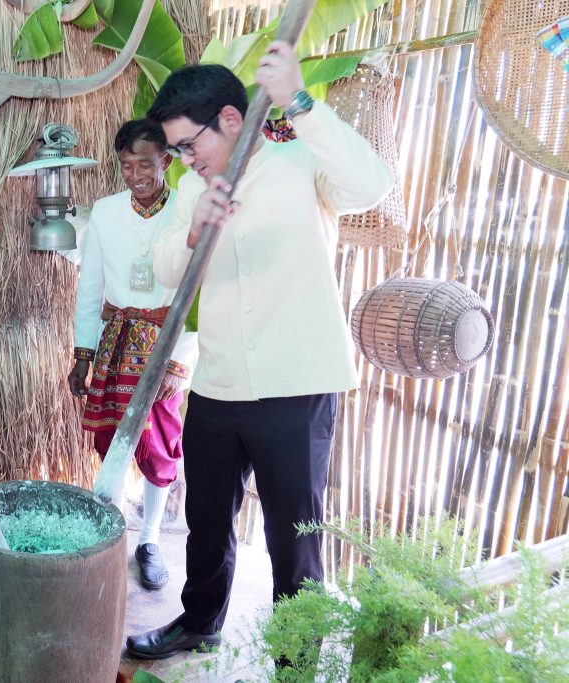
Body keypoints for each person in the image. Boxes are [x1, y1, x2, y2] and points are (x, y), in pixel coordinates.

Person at [125, 43, 393, 661]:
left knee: (293, 538)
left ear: (229, 119)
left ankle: (295, 661)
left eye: (189, 145)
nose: (185, 160)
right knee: (206, 521)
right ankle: (199, 622)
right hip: (217, 387)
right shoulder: (191, 193)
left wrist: (298, 99)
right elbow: (163, 270)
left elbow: (372, 184)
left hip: (295, 388)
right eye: (177, 152)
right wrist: (193, 232)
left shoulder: (301, 163)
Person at [69, 119, 198, 591]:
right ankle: (110, 539)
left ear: (165, 160)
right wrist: (83, 355)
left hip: (165, 347)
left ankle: (149, 541)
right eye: (126, 166)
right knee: (112, 442)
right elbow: (90, 287)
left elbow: (198, 290)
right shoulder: (105, 212)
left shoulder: (186, 209)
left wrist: (179, 364)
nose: (136, 175)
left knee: (159, 448)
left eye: (145, 164)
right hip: (115, 343)